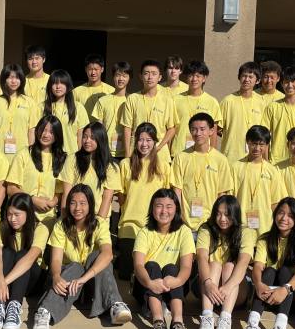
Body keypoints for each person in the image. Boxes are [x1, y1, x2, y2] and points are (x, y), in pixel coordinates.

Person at [32, 184, 132, 329]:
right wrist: (57, 276)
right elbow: (56, 259)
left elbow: (108, 254)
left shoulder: (99, 224)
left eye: (83, 203)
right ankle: (45, 312)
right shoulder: (61, 225)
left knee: (97, 256)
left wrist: (84, 279)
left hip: (92, 286)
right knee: (76, 266)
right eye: (73, 203)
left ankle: (114, 304)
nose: (77, 208)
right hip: (67, 284)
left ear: (90, 205)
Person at [245, 197, 295, 329]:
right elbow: (257, 267)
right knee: (268, 271)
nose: (284, 218)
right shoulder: (265, 239)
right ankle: (253, 324)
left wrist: (285, 289)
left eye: (290, 216)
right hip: (271, 297)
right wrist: (258, 284)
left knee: (285, 271)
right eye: (281, 213)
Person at [132, 189, 195, 329]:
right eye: (159, 206)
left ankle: (177, 323)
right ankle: (158, 321)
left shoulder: (184, 232)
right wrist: (150, 283)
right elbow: (138, 265)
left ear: (176, 209)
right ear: (152, 208)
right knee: (151, 266)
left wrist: (176, 281)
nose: (164, 211)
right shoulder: (145, 232)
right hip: (146, 287)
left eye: (169, 206)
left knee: (172, 268)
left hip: (173, 287)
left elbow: (187, 266)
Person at [0, 193, 50, 329]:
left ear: (28, 213)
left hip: (32, 280)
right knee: (6, 252)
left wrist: (2, 283)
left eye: (17, 214)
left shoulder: (40, 229)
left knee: (23, 254)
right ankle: (0, 304)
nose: (12, 219)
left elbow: (29, 260)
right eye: (9, 214)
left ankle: (14, 306)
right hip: (7, 279)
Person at [196, 195, 254, 329]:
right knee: (214, 264)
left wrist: (227, 287)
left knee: (229, 266)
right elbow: (202, 257)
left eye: (227, 214)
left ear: (235, 214)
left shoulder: (246, 232)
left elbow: (243, 262)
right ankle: (207, 317)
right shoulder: (206, 229)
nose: (222, 218)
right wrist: (208, 283)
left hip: (234, 291)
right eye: (218, 213)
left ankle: (225, 319)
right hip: (208, 289)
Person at [117, 122, 171, 280]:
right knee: (126, 276)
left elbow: (167, 198)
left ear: (155, 142)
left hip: (153, 228)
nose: (144, 144)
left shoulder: (164, 166)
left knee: (149, 273)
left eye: (149, 140)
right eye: (141, 140)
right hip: (129, 226)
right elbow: (121, 197)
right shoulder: (125, 164)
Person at [171, 113, 233, 233]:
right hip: (185, 225)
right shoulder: (181, 157)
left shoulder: (220, 159)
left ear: (211, 131)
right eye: (194, 129)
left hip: (210, 224)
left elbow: (222, 193)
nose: (198, 133)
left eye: (202, 129)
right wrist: (179, 218)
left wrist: (216, 219)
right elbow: (177, 190)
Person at [6, 115, 67, 229]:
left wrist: (53, 202)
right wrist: (32, 200)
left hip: (47, 218)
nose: (46, 134)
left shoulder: (62, 159)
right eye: (43, 130)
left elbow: (60, 189)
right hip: (22, 216)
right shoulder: (24, 154)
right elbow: (11, 188)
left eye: (51, 132)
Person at [59, 122, 120, 225]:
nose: (87, 141)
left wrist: (97, 224)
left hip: (97, 220)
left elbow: (107, 199)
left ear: (101, 139)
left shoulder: (111, 167)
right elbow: (66, 194)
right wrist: (65, 219)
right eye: (85, 137)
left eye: (92, 137)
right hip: (74, 218)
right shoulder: (72, 159)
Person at [230, 125, 284, 237]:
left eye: (261, 144)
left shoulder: (272, 171)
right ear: (247, 142)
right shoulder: (235, 167)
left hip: (265, 228)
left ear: (267, 145)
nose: (257, 148)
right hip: (241, 227)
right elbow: (231, 199)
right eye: (254, 143)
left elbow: (276, 203)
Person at [121, 59, 177, 164]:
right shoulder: (133, 98)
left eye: (154, 74)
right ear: (141, 76)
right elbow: (127, 128)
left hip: (160, 154)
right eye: (146, 73)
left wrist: (159, 147)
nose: (150, 77)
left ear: (160, 77)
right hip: (137, 152)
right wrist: (128, 155)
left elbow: (171, 129)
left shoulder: (167, 100)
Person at [0, 63, 38, 162]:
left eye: (17, 78)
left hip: (22, 155)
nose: (13, 81)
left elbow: (31, 131)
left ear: (22, 80)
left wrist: (31, 154)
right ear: (4, 80)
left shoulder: (29, 102)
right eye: (9, 77)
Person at [170, 60, 221, 158]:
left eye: (198, 76)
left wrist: (213, 155)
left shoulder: (212, 102)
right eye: (191, 75)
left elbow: (213, 132)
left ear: (204, 78)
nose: (194, 79)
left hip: (204, 153)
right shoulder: (175, 100)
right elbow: (170, 128)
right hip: (178, 153)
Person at [219, 61, 267, 162]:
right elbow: (218, 129)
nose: (246, 80)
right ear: (239, 78)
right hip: (231, 157)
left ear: (257, 81)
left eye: (250, 77)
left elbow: (265, 132)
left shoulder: (262, 102)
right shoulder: (228, 101)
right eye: (244, 76)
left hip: (255, 157)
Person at [41, 69, 89, 155]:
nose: (58, 86)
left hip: (72, 156)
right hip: (49, 155)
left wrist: (80, 157)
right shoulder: (41, 107)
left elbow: (81, 135)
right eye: (55, 83)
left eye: (62, 83)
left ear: (68, 85)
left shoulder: (78, 107)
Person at [91, 61, 131, 160]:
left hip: (127, 151)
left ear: (129, 78)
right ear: (113, 77)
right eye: (118, 75)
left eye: (124, 75)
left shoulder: (132, 100)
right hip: (106, 151)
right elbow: (98, 129)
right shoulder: (102, 100)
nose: (121, 79)